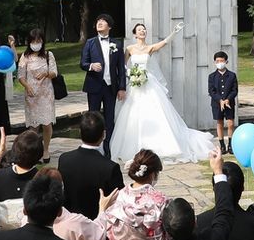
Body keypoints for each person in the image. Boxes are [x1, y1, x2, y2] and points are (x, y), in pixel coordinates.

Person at [111, 23, 211, 166]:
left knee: (156, 112)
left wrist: (173, 33)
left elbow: (164, 43)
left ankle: (163, 146)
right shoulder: (129, 49)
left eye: (144, 29)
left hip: (148, 82)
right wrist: (131, 74)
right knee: (133, 114)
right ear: (135, 34)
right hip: (135, 83)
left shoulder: (150, 48)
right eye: (139, 30)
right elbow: (123, 66)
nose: (142, 31)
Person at [58, 112, 123, 221]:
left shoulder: (64, 159)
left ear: (80, 132)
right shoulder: (110, 168)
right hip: (98, 225)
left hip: (69, 222)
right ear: (103, 135)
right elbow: (119, 201)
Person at [80, 14, 127, 148]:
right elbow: (83, 63)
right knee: (92, 117)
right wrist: (91, 66)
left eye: (103, 21)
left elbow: (121, 68)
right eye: (98, 21)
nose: (99, 23)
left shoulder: (117, 44)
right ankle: (92, 145)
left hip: (110, 87)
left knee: (109, 118)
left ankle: (108, 147)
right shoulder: (90, 43)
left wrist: (122, 88)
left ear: (109, 26)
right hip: (94, 85)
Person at [17, 29, 60, 160]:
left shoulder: (48, 55)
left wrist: (46, 74)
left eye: (38, 41)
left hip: (46, 94)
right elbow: (20, 76)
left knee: (47, 123)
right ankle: (33, 151)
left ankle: (46, 149)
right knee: (33, 126)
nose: (36, 43)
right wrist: (27, 86)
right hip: (32, 95)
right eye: (33, 41)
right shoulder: (25, 57)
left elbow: (54, 72)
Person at [0, 130, 45, 231]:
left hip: (4, 236)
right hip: (34, 236)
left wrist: (0, 151)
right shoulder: (43, 181)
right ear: (40, 154)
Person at [208, 51, 238, 155]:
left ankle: (230, 144)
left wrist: (227, 99)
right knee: (219, 123)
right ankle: (222, 145)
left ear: (226, 61)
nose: (219, 63)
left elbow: (234, 90)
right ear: (214, 62)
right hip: (217, 104)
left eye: (221, 61)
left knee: (230, 123)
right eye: (217, 61)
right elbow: (211, 91)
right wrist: (220, 100)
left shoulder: (232, 75)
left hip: (229, 103)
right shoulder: (212, 76)